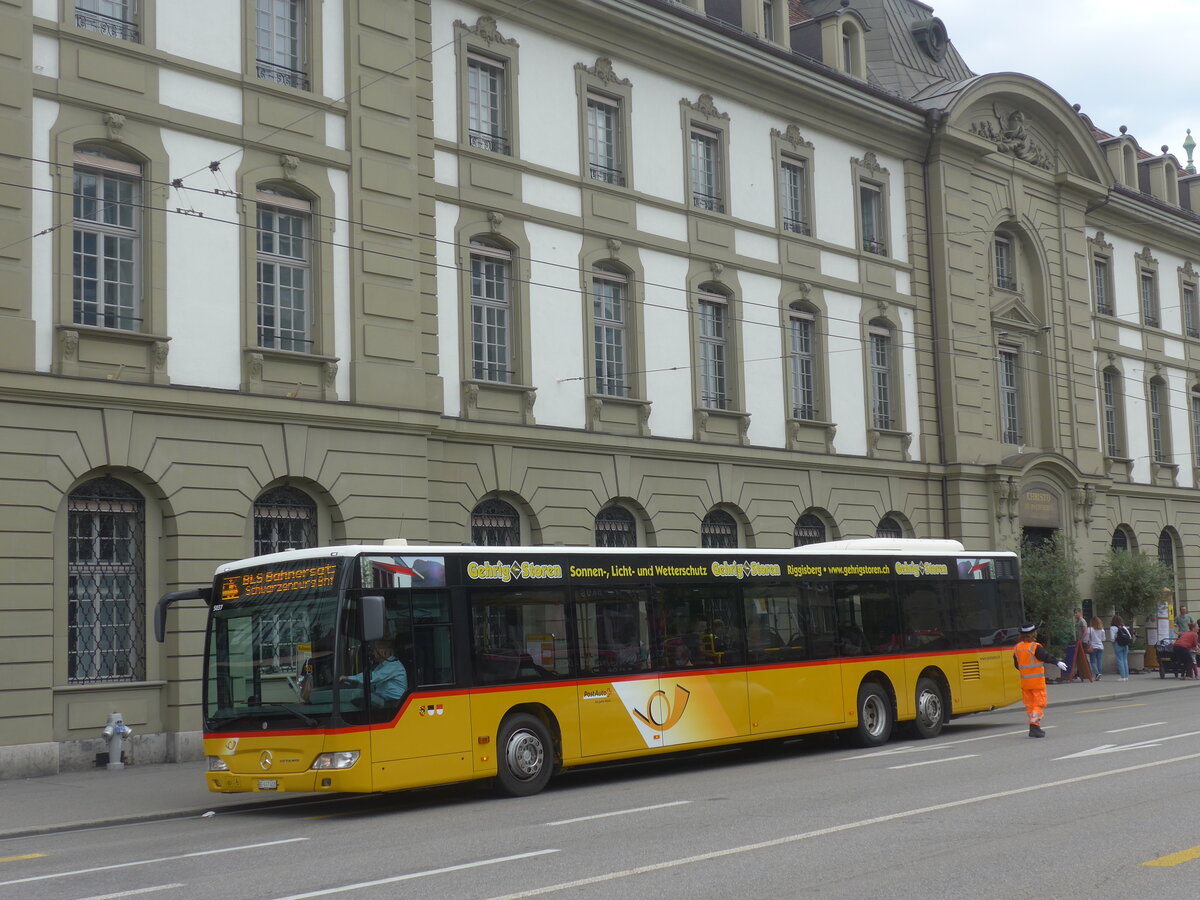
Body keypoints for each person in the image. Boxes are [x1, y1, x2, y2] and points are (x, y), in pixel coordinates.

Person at [1013, 622, 1068, 738]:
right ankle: (1034, 726)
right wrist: (1057, 662)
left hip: (1025, 683)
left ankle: (1034, 727)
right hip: (1037, 682)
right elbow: (1046, 656)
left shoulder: (1017, 648)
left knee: (1030, 705)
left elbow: (1017, 665)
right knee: (1039, 704)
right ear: (1033, 634)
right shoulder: (1034, 647)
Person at [341, 639, 409, 700]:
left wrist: (348, 678)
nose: (373, 653)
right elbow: (370, 675)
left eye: (374, 650)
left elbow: (372, 678)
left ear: (383, 652)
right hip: (385, 698)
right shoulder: (382, 665)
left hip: (394, 702)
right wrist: (349, 680)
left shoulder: (393, 665)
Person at [1109, 615, 1132, 681]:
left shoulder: (1112, 628)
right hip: (1125, 645)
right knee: (1125, 660)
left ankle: (1122, 677)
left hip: (1118, 645)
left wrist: (1114, 642)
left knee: (1120, 660)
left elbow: (1112, 638)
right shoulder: (1124, 627)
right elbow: (1130, 636)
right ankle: (1126, 676)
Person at [1085, 616, 1105, 681]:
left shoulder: (1090, 629)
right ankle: (1100, 674)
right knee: (1099, 661)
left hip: (1093, 646)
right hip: (1100, 646)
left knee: (1093, 661)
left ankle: (1097, 673)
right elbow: (1103, 639)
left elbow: (1087, 638)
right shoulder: (1102, 630)